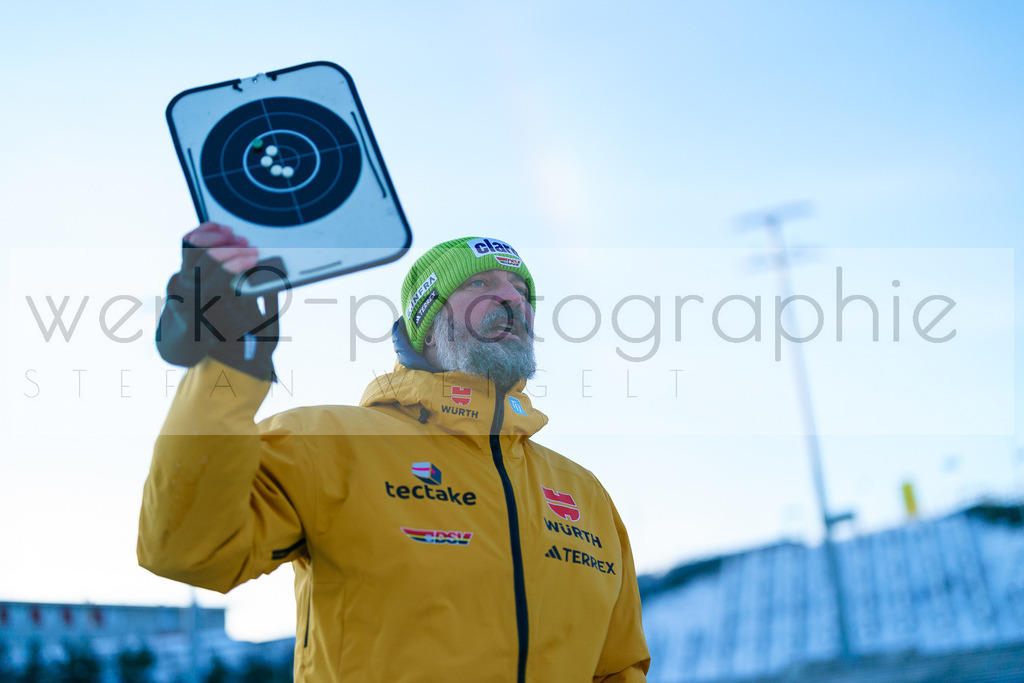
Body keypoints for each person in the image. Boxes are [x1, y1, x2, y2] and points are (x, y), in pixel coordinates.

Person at [138, 223, 651, 682]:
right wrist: (230, 362)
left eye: (522, 290)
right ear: (427, 321)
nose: (512, 299)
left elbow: (617, 668)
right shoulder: (332, 443)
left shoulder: (584, 494)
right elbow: (186, 547)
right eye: (480, 284)